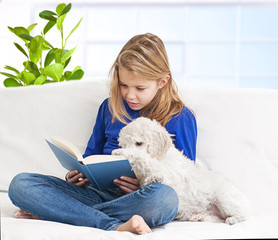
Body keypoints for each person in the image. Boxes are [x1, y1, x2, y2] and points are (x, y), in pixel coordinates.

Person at [8, 33, 197, 235]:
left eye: (140, 88)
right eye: (124, 85)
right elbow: (90, 158)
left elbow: (185, 180)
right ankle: (111, 223)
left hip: (140, 199)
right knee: (20, 185)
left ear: (162, 81)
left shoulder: (180, 117)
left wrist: (142, 184)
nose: (130, 95)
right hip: (96, 194)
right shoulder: (109, 108)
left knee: (165, 199)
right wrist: (78, 174)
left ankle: (58, 211)